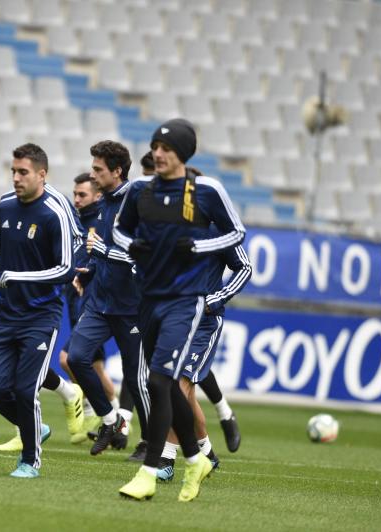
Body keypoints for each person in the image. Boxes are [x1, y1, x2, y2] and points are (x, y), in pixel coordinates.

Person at [114, 118, 245, 502]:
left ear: (184, 154)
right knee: (168, 386)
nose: (159, 154)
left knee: (160, 383)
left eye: (167, 149)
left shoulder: (207, 190)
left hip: (187, 302)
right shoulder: (139, 189)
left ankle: (150, 470)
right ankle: (196, 457)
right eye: (156, 146)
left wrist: (199, 247)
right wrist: (131, 247)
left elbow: (237, 233)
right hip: (148, 299)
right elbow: (120, 232)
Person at [0, 143, 75, 478]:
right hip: (6, 315)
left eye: (23, 173)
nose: (16, 178)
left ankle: (30, 461)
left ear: (42, 175)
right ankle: (34, 427)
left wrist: (18, 276)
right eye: (14, 172)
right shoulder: (5, 206)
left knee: (25, 389)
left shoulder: (55, 213)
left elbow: (66, 268)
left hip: (40, 316)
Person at [66, 141, 150, 461]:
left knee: (137, 380)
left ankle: (149, 443)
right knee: (75, 358)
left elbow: (141, 256)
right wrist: (88, 274)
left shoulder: (137, 203)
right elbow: (103, 254)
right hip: (100, 303)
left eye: (99, 169)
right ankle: (111, 419)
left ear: (117, 171)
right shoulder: (104, 204)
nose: (92, 173)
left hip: (132, 309)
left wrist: (102, 252)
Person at [157, 240, 252, 481]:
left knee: (176, 388)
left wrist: (218, 298)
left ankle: (166, 460)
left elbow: (245, 268)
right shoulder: (176, 222)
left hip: (205, 323)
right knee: (185, 396)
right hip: (178, 317)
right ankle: (208, 455)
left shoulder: (220, 228)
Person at [59, 173, 118, 444]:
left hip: (93, 302)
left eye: (82, 194)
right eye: (75, 194)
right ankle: (116, 416)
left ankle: (105, 412)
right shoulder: (75, 220)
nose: (76, 199)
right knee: (94, 366)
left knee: (67, 358)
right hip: (75, 299)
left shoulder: (102, 222)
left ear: (96, 195)